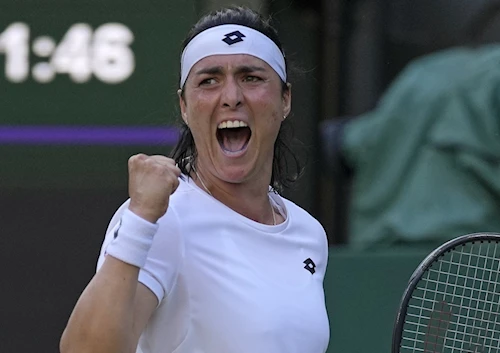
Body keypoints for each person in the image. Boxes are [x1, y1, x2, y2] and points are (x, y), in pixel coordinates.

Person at [60, 6, 330, 353]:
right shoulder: (162, 219)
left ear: (285, 99)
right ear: (185, 107)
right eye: (209, 80)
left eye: (251, 77)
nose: (231, 96)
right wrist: (141, 216)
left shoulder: (308, 235)